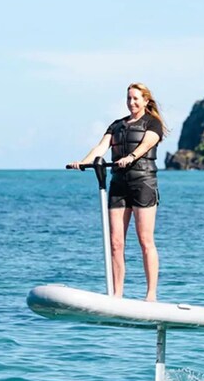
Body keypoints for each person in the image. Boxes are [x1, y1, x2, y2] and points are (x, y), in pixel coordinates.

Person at [68, 83, 168, 301]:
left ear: (145, 101)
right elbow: (101, 148)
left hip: (143, 184)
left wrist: (131, 158)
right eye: (129, 98)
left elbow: (146, 144)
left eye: (136, 98)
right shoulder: (117, 125)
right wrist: (84, 162)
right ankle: (117, 294)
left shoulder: (153, 123)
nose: (131, 102)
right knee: (115, 242)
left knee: (145, 240)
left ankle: (150, 294)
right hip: (119, 185)